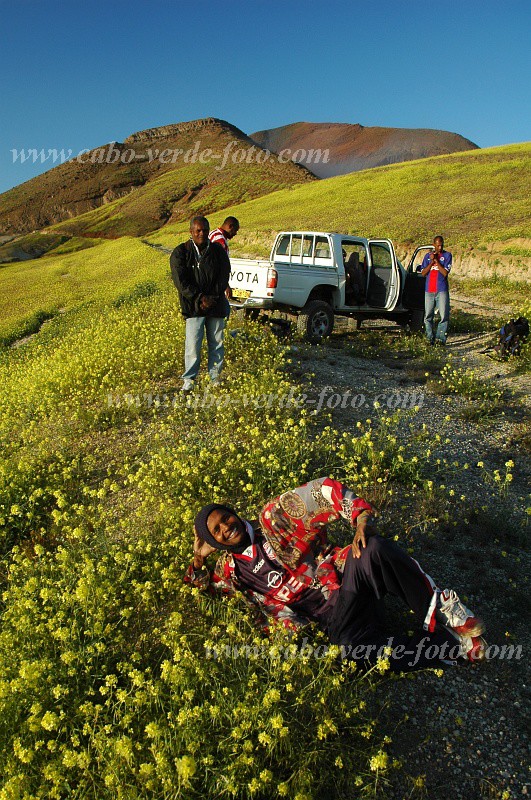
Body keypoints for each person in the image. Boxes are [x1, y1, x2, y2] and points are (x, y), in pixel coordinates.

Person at [185, 476, 486, 672]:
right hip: (335, 624)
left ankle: (441, 609)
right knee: (353, 656)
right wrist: (198, 561)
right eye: (216, 531)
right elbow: (210, 597)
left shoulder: (273, 518)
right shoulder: (230, 570)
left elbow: (324, 491)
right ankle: (450, 645)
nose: (226, 527)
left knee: (373, 547)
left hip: (347, 584)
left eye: (226, 517)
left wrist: (360, 518)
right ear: (213, 541)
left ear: (234, 512)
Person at [170, 216, 231, 392]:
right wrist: (200, 298)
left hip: (216, 304)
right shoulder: (181, 252)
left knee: (217, 343)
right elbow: (181, 281)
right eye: (198, 230)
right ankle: (189, 380)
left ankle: (215, 378)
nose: (201, 233)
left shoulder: (218, 251)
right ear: (191, 232)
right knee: (193, 345)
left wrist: (212, 296)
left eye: (205, 230)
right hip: (194, 307)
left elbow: (224, 275)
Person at [421, 235, 452, 345]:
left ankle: (440, 339)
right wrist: (431, 262)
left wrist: (437, 262)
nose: (440, 247)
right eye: (438, 245)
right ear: (434, 245)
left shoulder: (447, 255)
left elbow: (445, 273)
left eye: (442, 245)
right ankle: (430, 338)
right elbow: (423, 273)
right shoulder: (427, 256)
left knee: (444, 315)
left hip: (441, 289)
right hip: (429, 290)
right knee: (428, 316)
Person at [208, 216, 239, 304]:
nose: (235, 233)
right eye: (235, 230)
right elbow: (219, 264)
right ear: (230, 226)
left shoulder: (214, 233)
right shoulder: (220, 240)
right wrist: (225, 285)